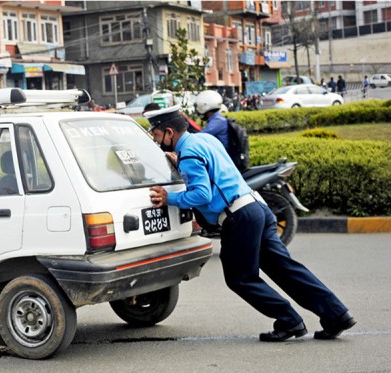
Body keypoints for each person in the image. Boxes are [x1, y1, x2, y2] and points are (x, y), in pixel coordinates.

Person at [144, 105, 356, 342]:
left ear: (169, 133)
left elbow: (202, 195)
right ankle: (337, 314)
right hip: (257, 207)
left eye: (156, 134)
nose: (155, 139)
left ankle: (289, 320)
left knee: (240, 278)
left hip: (239, 217)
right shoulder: (204, 140)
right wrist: (181, 160)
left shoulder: (190, 155)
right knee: (284, 268)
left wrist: (167, 197)